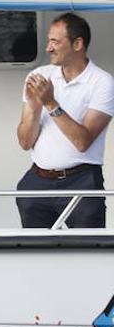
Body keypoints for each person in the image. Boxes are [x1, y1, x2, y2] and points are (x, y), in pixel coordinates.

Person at [16, 13, 114, 229]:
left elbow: (82, 142)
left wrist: (50, 103)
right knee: (34, 252)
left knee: (89, 253)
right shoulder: (40, 75)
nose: (48, 48)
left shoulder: (102, 82)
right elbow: (24, 143)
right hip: (37, 178)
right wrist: (33, 107)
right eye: (49, 40)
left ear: (78, 44)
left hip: (82, 179)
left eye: (55, 41)